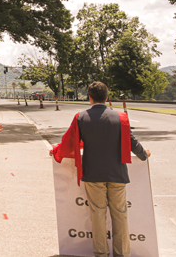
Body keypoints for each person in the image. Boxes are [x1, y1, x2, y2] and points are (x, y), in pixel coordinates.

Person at [52, 81, 150, 257]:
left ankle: (101, 253)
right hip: (117, 173)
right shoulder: (121, 118)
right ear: (107, 97)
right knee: (120, 215)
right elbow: (133, 144)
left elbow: (69, 142)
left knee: (97, 215)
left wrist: (56, 151)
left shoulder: (80, 117)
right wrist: (144, 155)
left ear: (89, 97)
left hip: (93, 173)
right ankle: (122, 253)